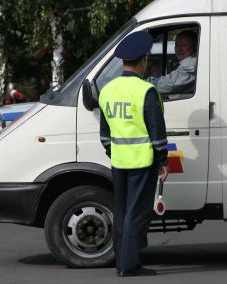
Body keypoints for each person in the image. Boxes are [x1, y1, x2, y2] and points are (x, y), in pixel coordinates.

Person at [99, 31, 169, 277]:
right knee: (137, 214)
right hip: (142, 160)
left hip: (119, 161)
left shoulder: (107, 90)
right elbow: (157, 132)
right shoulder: (146, 91)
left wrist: (114, 151)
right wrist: (163, 160)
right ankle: (128, 266)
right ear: (144, 60)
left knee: (121, 212)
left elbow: (104, 135)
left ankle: (122, 260)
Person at [148, 30, 198, 96]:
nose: (178, 49)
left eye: (183, 45)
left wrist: (145, 83)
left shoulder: (192, 64)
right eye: (176, 45)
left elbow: (169, 84)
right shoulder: (186, 62)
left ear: (194, 46)